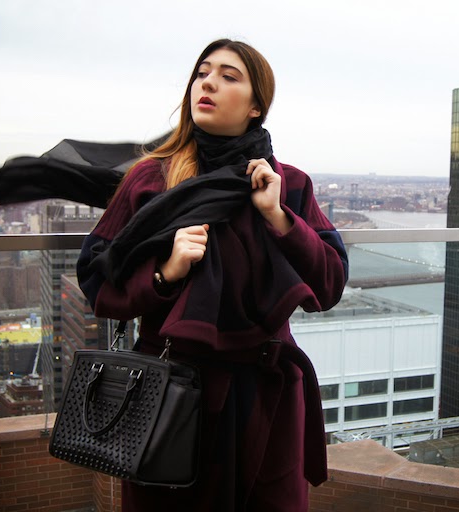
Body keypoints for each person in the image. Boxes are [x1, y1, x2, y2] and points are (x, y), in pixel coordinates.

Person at [76, 38, 349, 511]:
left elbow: (329, 284)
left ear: (256, 105)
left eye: (228, 76)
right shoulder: (153, 178)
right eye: (202, 73)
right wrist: (165, 273)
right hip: (170, 396)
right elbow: (96, 277)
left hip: (266, 398)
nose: (208, 83)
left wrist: (279, 217)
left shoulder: (287, 184)